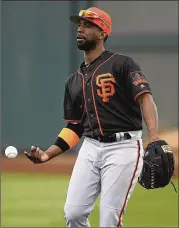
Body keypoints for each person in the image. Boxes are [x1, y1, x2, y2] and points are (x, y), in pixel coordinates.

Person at [24, 7, 161, 228]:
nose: (80, 28)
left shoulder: (122, 64)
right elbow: (74, 127)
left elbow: (145, 98)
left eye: (88, 25)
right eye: (80, 24)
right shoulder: (73, 81)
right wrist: (47, 155)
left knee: (109, 220)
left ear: (103, 33)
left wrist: (153, 135)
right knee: (74, 214)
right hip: (90, 147)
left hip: (123, 147)